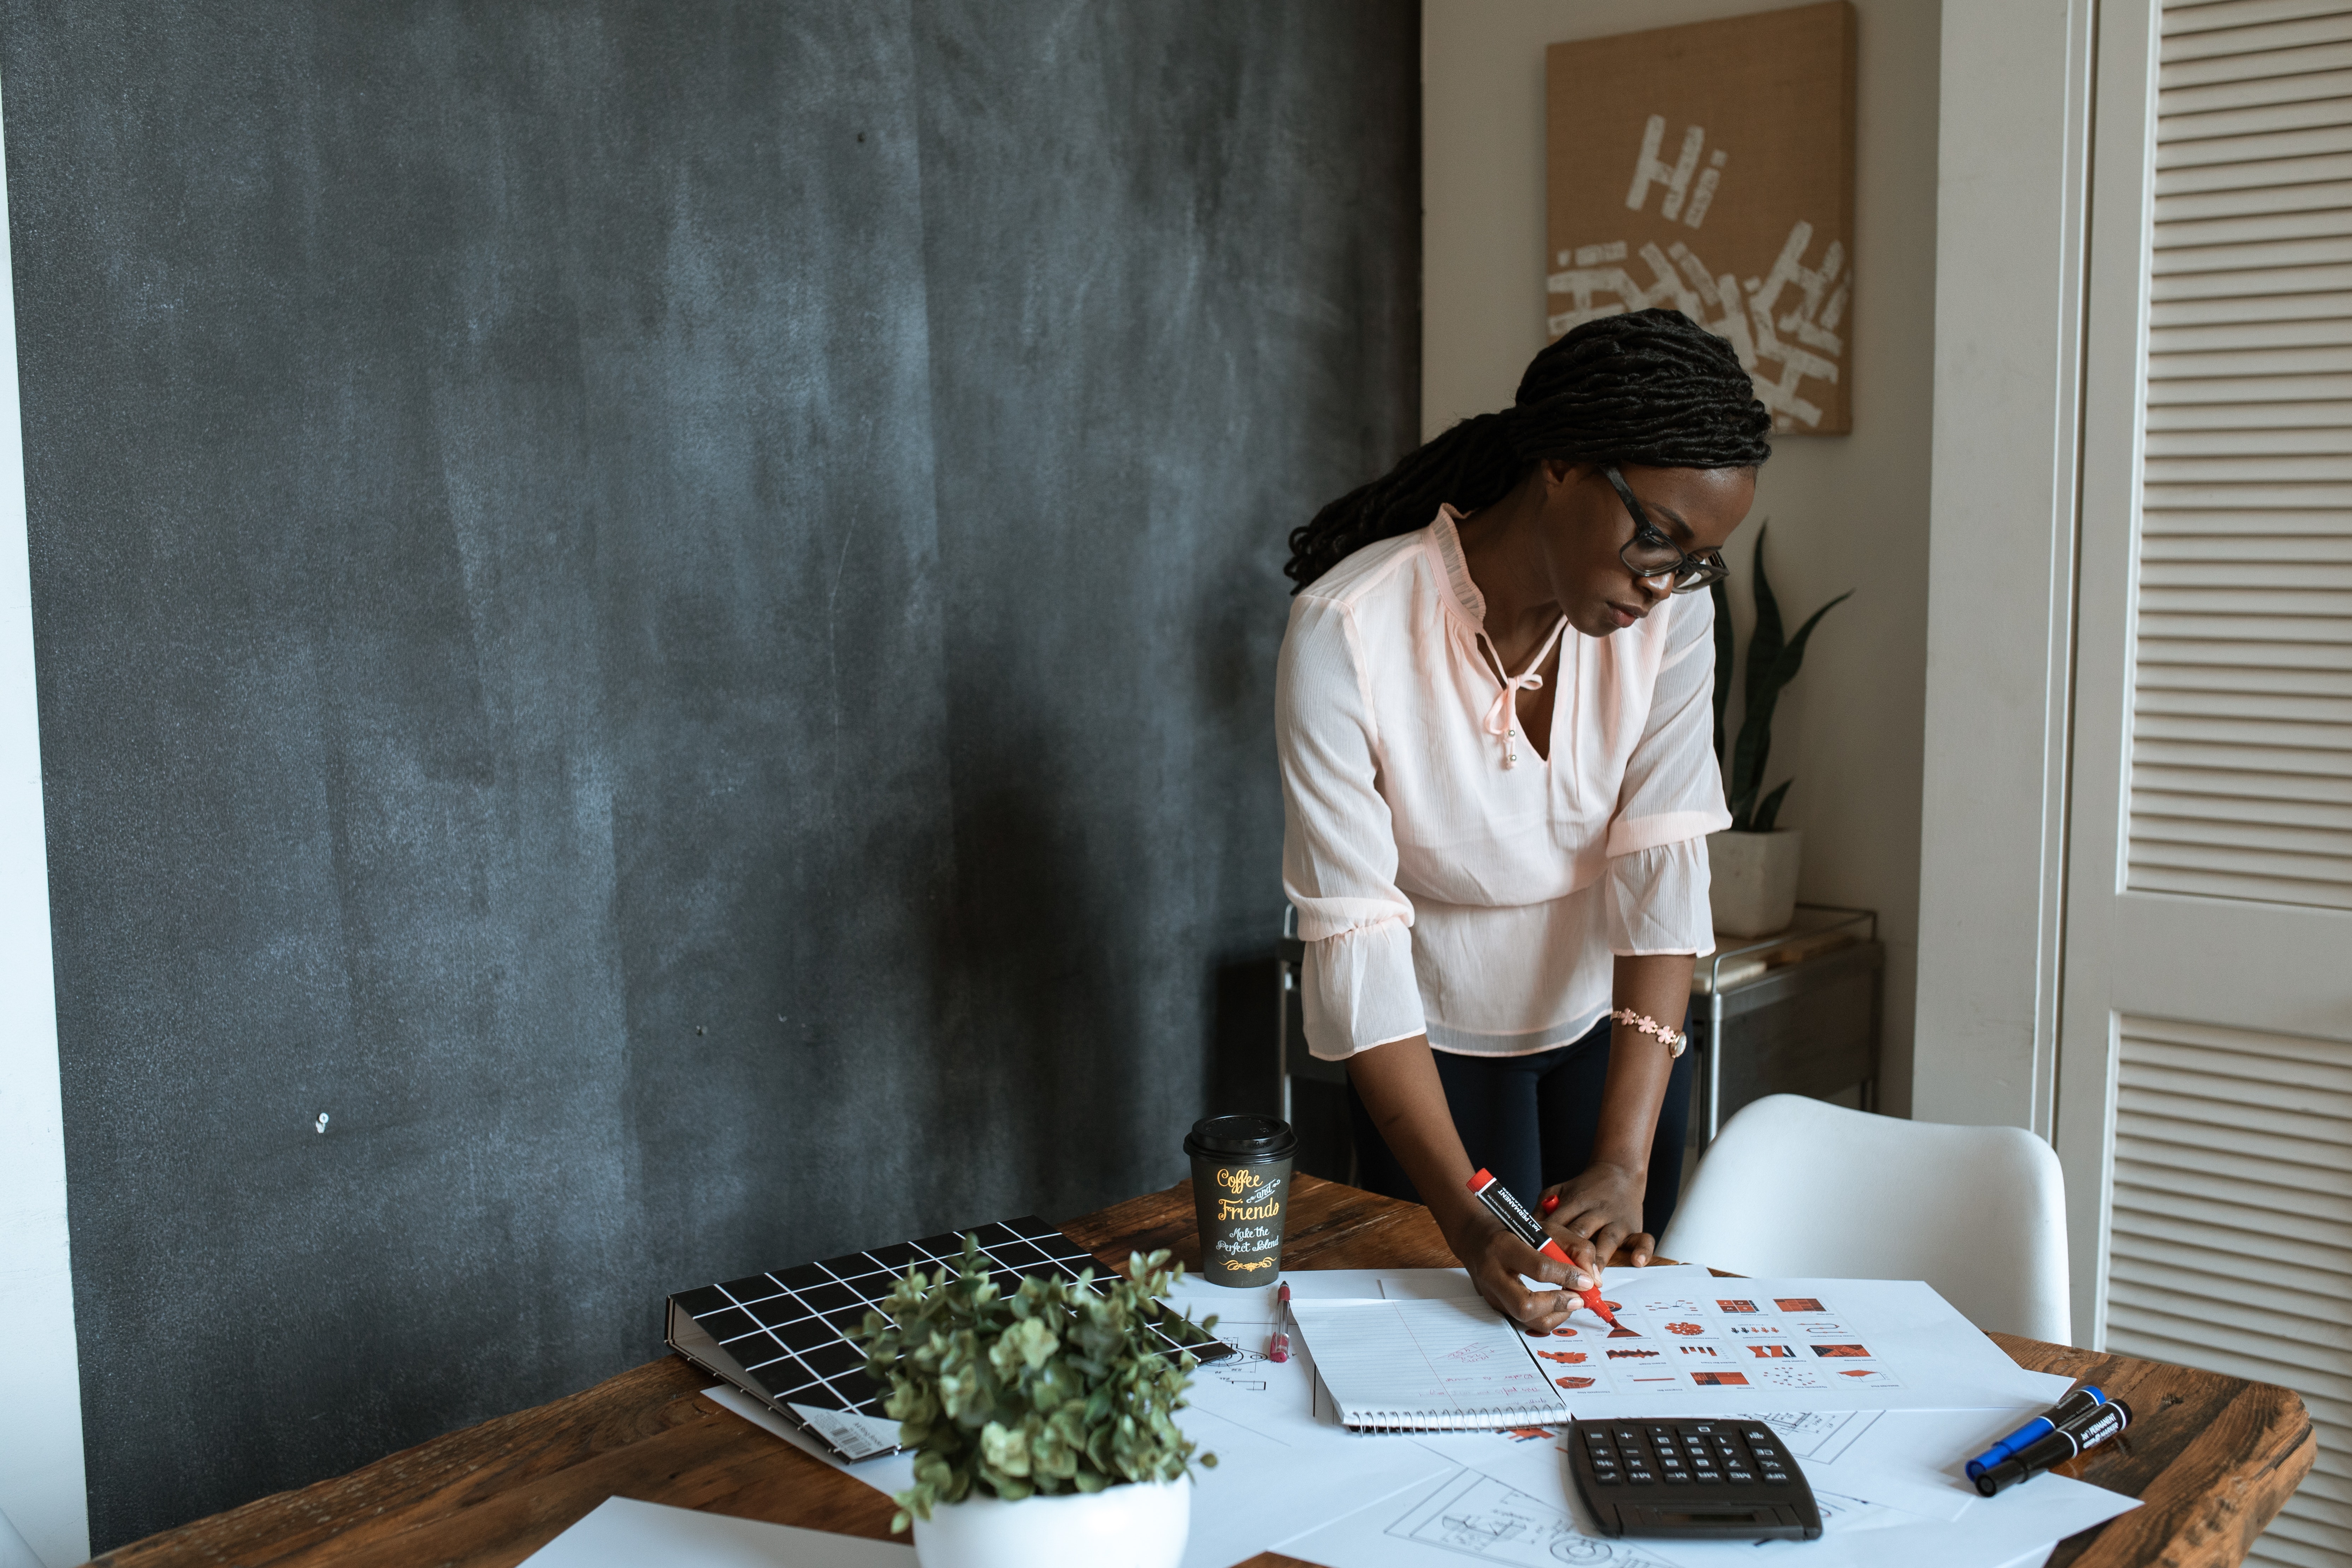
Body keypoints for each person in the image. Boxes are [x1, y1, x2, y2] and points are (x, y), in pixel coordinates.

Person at [1275, 308, 1768, 1334]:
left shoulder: (1670, 618)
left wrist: (1626, 1161)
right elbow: (1356, 933)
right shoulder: (1349, 630)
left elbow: (1660, 864)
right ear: (1559, 465)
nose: (1664, 580)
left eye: (1697, 559)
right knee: (1456, 1341)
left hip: (1619, 1043)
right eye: (1655, 538)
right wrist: (1465, 1227)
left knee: (1609, 1339)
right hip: (1429, 1052)